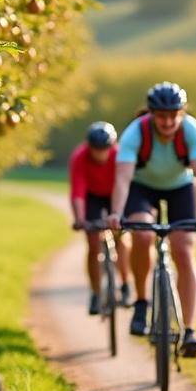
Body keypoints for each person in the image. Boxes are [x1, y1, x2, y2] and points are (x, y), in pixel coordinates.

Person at [106, 83, 196, 357]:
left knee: (184, 250)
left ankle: (190, 329)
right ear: (151, 114)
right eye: (161, 115)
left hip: (181, 188)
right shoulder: (136, 132)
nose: (167, 122)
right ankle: (142, 302)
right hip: (141, 188)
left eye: (173, 115)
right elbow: (122, 179)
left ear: (181, 113)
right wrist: (116, 214)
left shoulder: (191, 129)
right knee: (143, 235)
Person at [69, 121, 132, 314]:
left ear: (111, 146)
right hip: (92, 197)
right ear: (89, 146)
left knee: (122, 238)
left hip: (115, 194)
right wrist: (80, 218)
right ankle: (96, 293)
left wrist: (120, 213)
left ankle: (125, 284)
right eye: (96, 149)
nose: (100, 153)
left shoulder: (119, 155)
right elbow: (78, 191)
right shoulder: (80, 157)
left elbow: (124, 183)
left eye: (104, 148)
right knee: (93, 243)